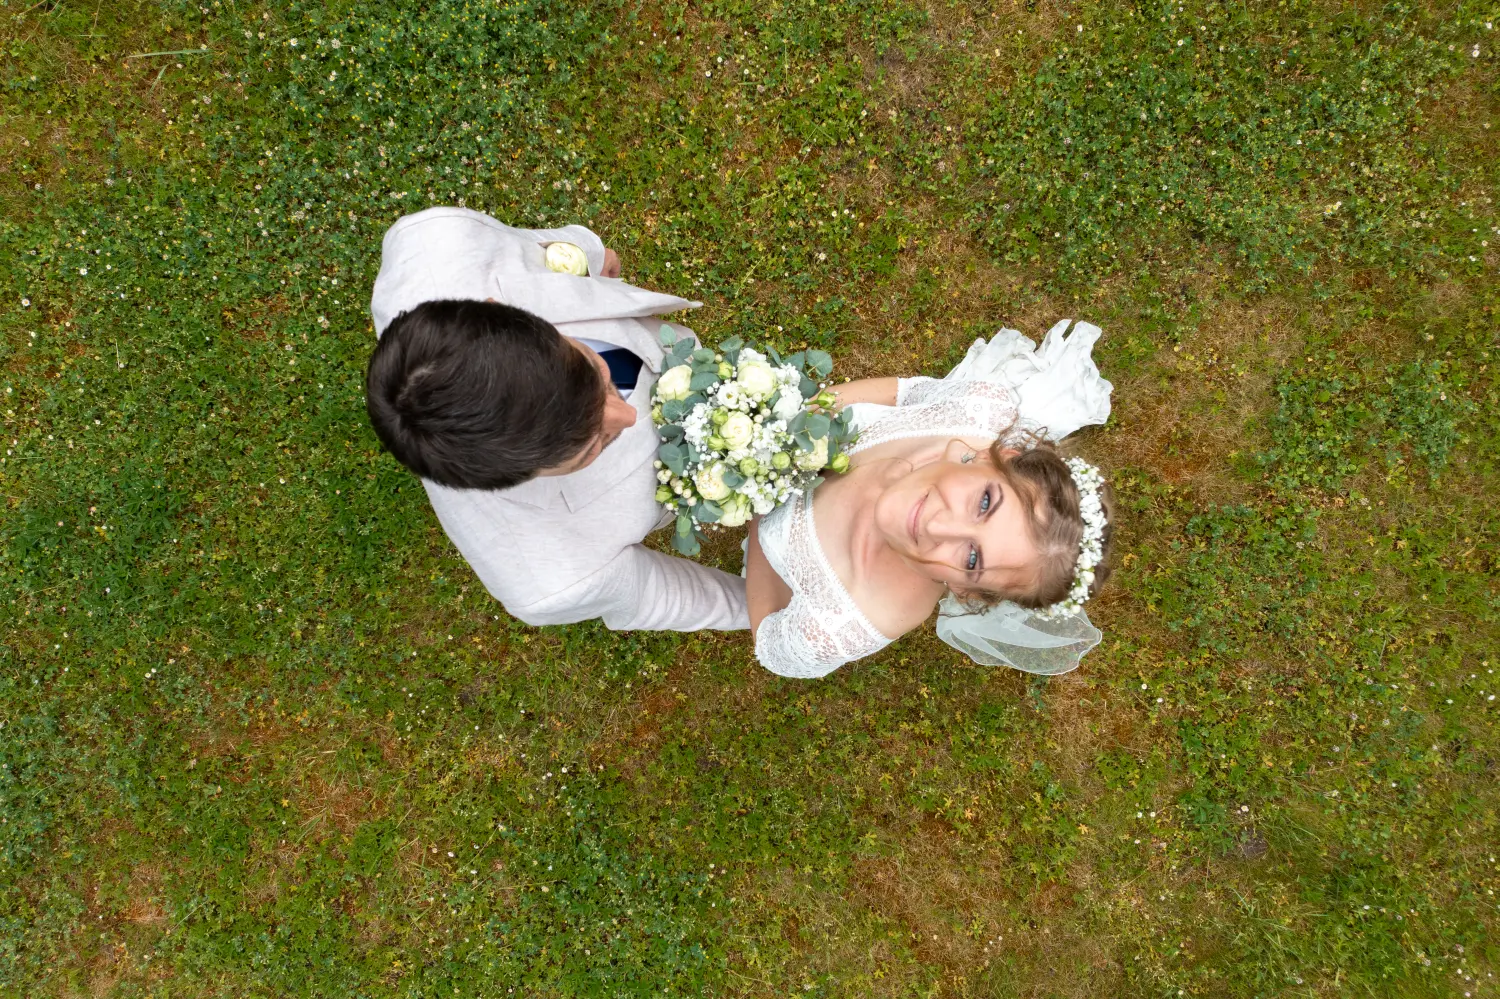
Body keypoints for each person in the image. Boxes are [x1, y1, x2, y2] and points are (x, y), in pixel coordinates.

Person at [366, 207, 747, 631]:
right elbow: (678, 599)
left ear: (499, 308)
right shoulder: (554, 579)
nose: (628, 415)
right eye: (592, 447)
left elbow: (530, 247)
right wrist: (771, 609)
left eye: (598, 373)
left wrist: (588, 252)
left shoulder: (434, 243)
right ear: (525, 477)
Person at [745, 320, 1114, 677]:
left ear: (966, 591)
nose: (938, 526)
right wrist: (794, 419)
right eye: (984, 503)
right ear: (996, 458)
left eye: (972, 559)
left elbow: (770, 641)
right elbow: (903, 394)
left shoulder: (836, 627)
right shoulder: (976, 410)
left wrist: (756, 497)